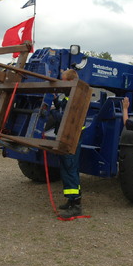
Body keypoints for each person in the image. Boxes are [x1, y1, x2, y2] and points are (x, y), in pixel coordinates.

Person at [50, 69, 84, 218]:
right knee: (68, 168)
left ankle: (76, 205)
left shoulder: (76, 97)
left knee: (69, 169)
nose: (62, 84)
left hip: (71, 138)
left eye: (64, 81)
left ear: (71, 81)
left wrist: (50, 111)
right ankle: (72, 200)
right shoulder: (70, 95)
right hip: (66, 136)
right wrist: (55, 100)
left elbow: (63, 117)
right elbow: (62, 106)